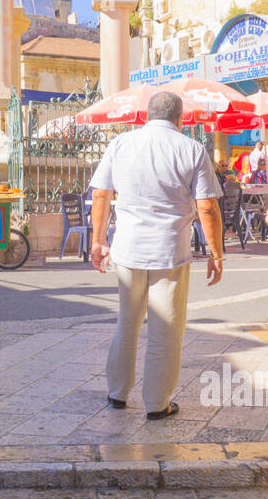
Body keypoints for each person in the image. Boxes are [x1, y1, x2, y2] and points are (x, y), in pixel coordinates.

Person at [88, 92, 224, 420]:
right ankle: (157, 403)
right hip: (169, 252)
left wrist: (97, 240)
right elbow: (206, 206)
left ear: (146, 115)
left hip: (127, 250)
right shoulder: (192, 148)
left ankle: (118, 394)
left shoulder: (121, 144)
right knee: (166, 330)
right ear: (180, 118)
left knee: (127, 323)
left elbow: (101, 194)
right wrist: (216, 253)